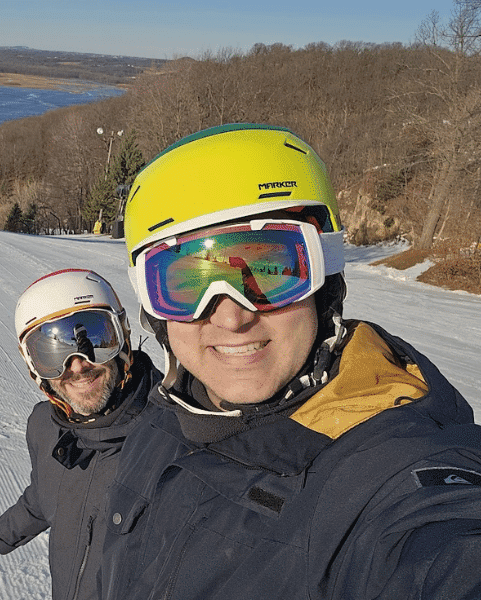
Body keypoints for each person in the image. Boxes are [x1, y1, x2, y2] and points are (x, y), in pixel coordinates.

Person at [99, 123, 481, 600]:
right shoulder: (164, 420)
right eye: (188, 282)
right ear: (154, 309)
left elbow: (436, 554)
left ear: (325, 281)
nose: (233, 316)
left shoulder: (391, 474)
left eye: (269, 269)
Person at [0, 268, 162, 600]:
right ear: (33, 367)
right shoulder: (46, 427)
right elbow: (44, 499)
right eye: (52, 354)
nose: (77, 365)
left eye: (96, 340)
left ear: (122, 334)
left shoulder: (177, 439)